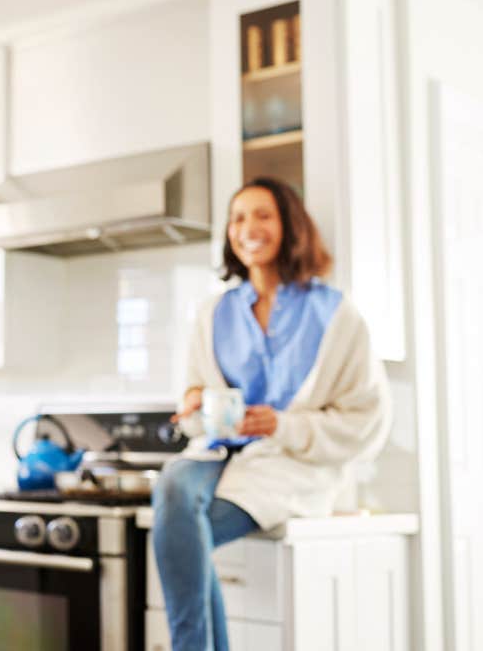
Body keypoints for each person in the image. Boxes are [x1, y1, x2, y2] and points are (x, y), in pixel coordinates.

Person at [152, 177, 391, 651]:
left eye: (263, 215)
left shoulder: (337, 315)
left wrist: (284, 424)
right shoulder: (212, 313)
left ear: (290, 225)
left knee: (184, 538)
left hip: (289, 466)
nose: (247, 228)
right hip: (219, 454)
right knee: (174, 484)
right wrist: (195, 407)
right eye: (238, 218)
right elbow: (199, 402)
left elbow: (367, 419)